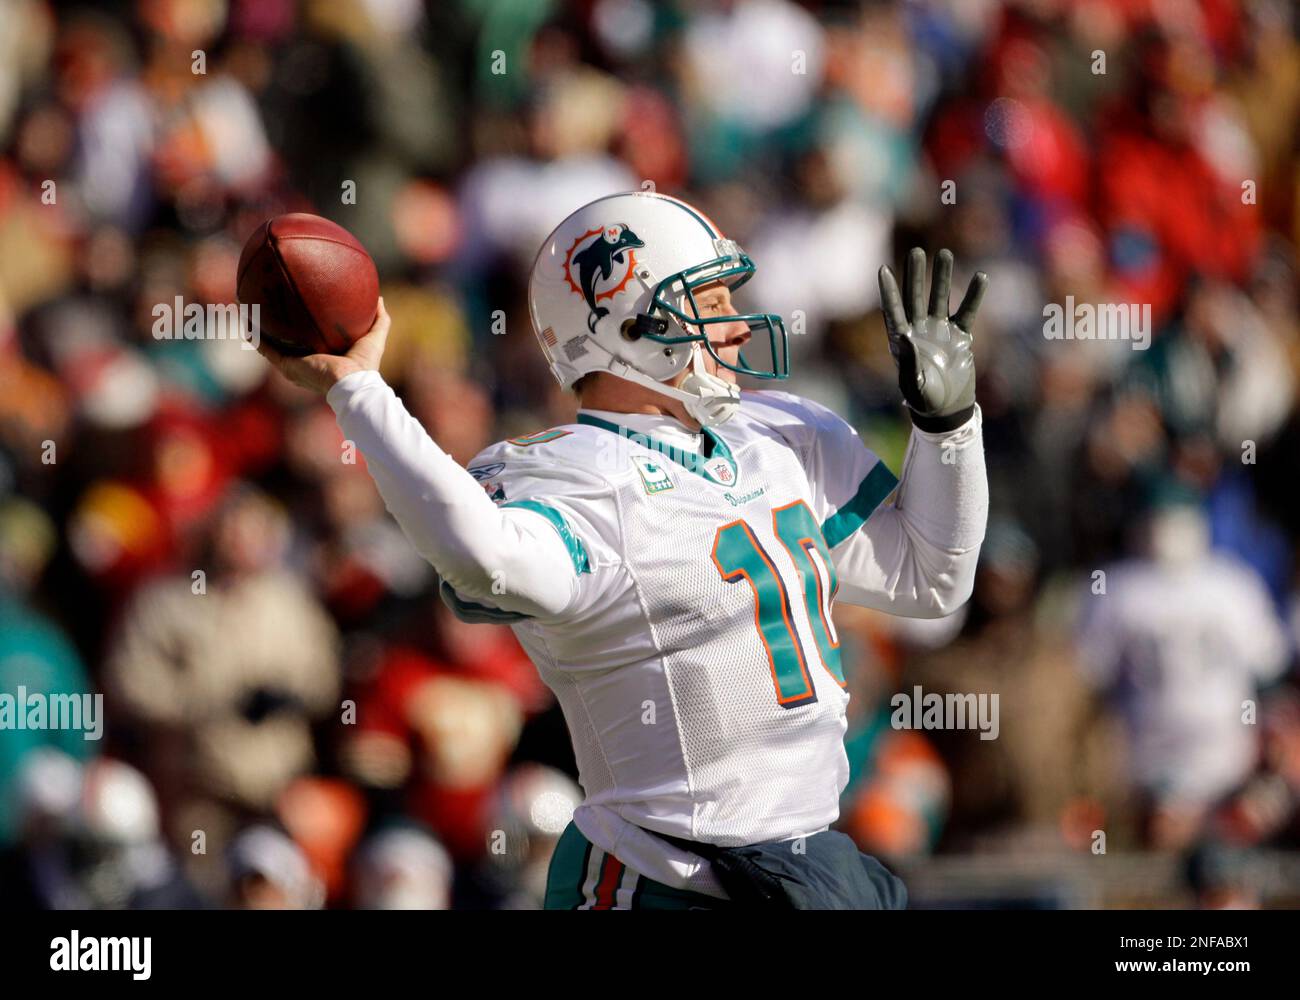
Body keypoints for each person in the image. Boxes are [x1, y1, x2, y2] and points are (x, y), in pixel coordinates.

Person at [256, 191, 989, 909]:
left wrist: (948, 426)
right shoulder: (570, 473)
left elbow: (931, 579)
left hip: (811, 865)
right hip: (665, 880)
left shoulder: (783, 436)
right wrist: (360, 392)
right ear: (630, 326)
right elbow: (487, 559)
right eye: (711, 302)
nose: (736, 325)